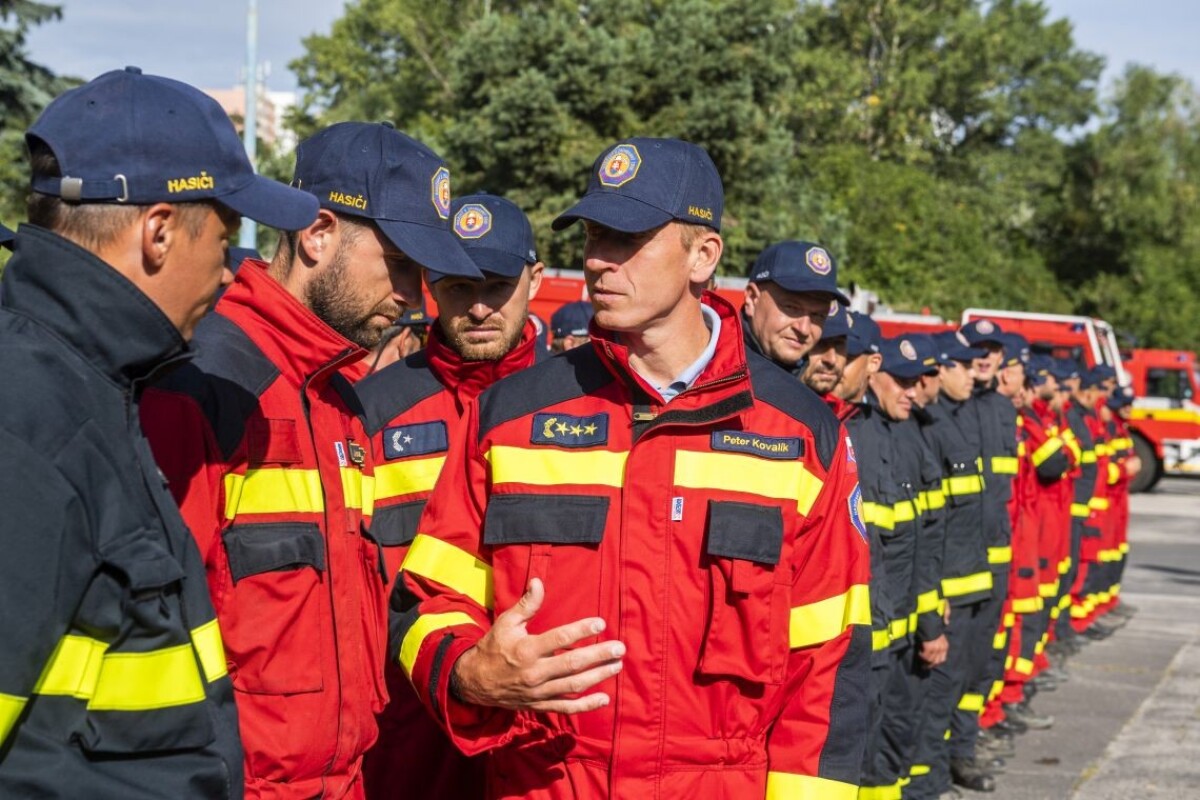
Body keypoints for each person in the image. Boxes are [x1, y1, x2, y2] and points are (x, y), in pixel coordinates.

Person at [391, 137, 872, 798]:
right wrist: (471, 673)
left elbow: (829, 665)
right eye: (592, 236)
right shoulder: (510, 415)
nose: (596, 261)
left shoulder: (795, 430)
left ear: (704, 255)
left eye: (627, 239)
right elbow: (426, 600)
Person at [0, 66, 319, 798]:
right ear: (159, 231)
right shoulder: (28, 418)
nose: (232, 273)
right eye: (226, 238)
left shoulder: (98, 383)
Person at [140, 121, 479, 799]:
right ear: (319, 234)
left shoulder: (339, 401)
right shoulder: (207, 382)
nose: (417, 297)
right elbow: (154, 632)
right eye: (403, 264)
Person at [358, 192, 546, 800]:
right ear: (430, 285)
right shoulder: (369, 412)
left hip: (540, 744)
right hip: (403, 738)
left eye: (497, 284)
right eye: (459, 287)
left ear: (535, 280)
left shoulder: (582, 406)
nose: (480, 308)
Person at [742, 239, 851, 374]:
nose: (804, 330)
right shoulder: (713, 366)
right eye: (791, 308)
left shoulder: (812, 386)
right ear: (752, 299)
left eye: (817, 315)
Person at [799, 300, 852, 418]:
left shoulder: (845, 414)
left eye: (839, 344)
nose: (831, 359)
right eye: (820, 344)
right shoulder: (764, 401)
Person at [369, 299, 432, 373]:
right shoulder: (412, 383)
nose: (423, 348)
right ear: (404, 340)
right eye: (423, 339)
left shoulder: (352, 374)